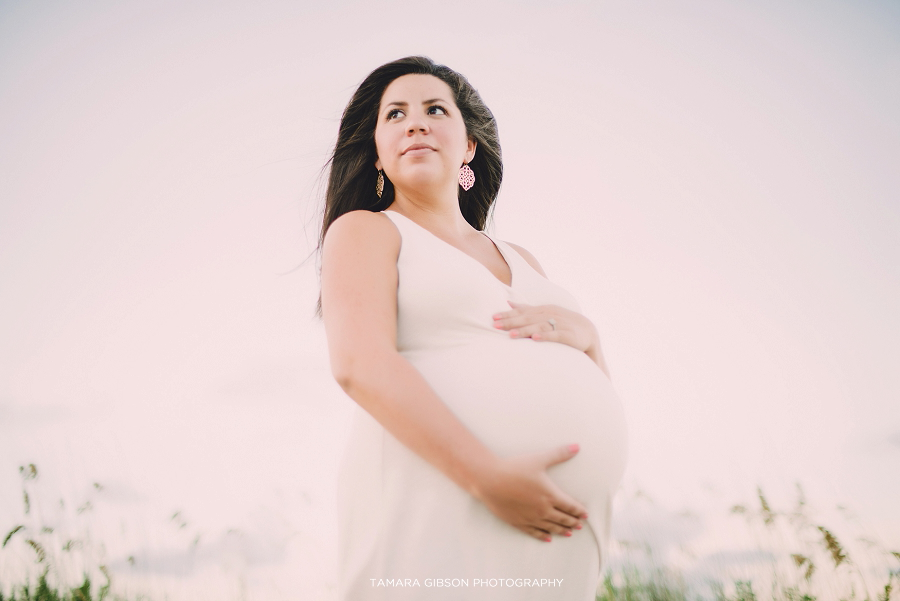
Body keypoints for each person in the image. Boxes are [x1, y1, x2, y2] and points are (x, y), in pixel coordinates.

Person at [317, 56, 628, 601]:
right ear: (378, 154)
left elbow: (591, 392)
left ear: (468, 147)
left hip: (554, 533)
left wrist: (590, 337)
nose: (415, 122)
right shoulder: (368, 231)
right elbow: (359, 365)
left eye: (435, 109)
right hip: (446, 495)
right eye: (395, 114)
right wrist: (485, 476)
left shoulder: (522, 256)